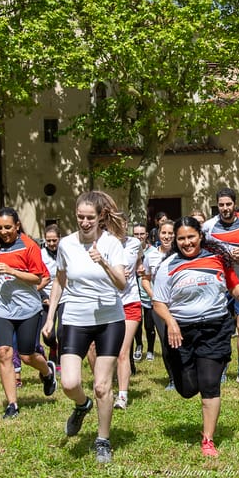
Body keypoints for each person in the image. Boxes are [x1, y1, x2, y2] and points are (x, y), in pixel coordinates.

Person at [152, 216, 239, 457]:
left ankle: (208, 440)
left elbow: (232, 282)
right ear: (175, 241)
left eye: (191, 237)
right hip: (181, 332)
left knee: (209, 385)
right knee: (187, 389)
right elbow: (158, 303)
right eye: (181, 239)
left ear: (200, 236)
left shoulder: (216, 258)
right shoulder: (168, 266)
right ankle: (185, 371)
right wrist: (171, 322)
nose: (187, 242)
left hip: (214, 328)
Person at [41, 191, 127, 464]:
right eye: (80, 217)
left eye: (90, 217)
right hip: (75, 318)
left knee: (102, 385)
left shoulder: (112, 244)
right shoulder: (66, 244)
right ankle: (82, 404)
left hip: (109, 319)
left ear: (101, 217)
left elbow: (122, 284)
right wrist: (50, 316)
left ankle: (103, 439)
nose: (85, 222)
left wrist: (102, 261)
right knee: (69, 383)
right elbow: (59, 279)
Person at [0, 208, 56, 420]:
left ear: (17, 226)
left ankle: (47, 372)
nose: (3, 232)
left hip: (27, 308)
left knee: (26, 355)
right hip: (1, 308)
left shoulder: (29, 246)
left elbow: (39, 277)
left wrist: (14, 272)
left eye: (7, 227)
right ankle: (12, 405)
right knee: (4, 353)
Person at [202, 187, 239, 388]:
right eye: (221, 205)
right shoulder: (208, 227)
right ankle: (222, 365)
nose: (225, 208)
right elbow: (201, 250)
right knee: (221, 328)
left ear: (234, 204)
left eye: (228, 204)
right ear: (217, 205)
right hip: (219, 284)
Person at [141, 219, 176, 390]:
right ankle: (172, 378)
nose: (167, 236)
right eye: (164, 233)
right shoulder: (151, 255)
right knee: (166, 342)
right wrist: (154, 297)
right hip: (160, 307)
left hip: (180, 306)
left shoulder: (182, 253)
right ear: (158, 234)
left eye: (171, 233)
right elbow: (145, 279)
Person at [114, 216, 144, 410]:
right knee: (99, 350)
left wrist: (138, 267)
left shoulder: (134, 243)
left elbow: (139, 260)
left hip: (131, 301)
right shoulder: (103, 244)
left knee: (122, 351)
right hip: (109, 302)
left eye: (123, 224)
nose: (119, 228)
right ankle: (104, 386)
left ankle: (122, 396)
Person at [39, 224, 65, 367]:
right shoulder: (40, 254)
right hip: (46, 297)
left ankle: (60, 361)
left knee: (62, 331)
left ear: (59, 239)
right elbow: (37, 278)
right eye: (48, 241)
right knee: (47, 333)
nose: (51, 244)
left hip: (64, 297)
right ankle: (52, 346)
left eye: (54, 240)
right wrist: (43, 296)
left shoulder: (65, 252)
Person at [132, 224, 156, 362]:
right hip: (134, 292)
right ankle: (139, 346)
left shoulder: (153, 252)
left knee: (149, 324)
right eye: (136, 234)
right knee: (136, 323)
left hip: (148, 292)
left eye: (142, 234)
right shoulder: (130, 250)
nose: (139, 237)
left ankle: (151, 350)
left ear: (146, 235)